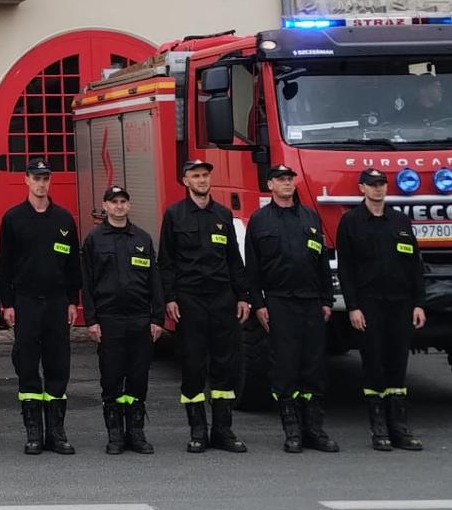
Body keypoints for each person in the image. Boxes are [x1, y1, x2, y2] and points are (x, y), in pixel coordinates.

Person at [245, 165, 340, 454]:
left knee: (313, 366)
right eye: (281, 180)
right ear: (270, 185)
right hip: (279, 300)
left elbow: (321, 263)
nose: (287, 184)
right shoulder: (260, 221)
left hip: (311, 301)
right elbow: (253, 268)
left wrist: (327, 299)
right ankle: (293, 431)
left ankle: (315, 430)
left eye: (290, 180)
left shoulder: (310, 217)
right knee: (285, 366)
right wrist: (259, 304)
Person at [160, 159, 250, 454]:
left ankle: (223, 430)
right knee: (193, 364)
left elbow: (234, 261)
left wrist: (243, 296)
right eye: (196, 176)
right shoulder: (174, 215)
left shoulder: (223, 215)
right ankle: (198, 431)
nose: (202, 180)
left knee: (225, 365)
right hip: (190, 299)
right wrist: (170, 298)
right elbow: (167, 261)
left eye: (205, 175)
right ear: (185, 181)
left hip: (222, 298)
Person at [336, 168, 429, 452]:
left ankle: (399, 427)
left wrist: (419, 303)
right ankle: (378, 428)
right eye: (372, 185)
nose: (378, 189)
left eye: (382, 184)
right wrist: (353, 307)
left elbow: (414, 265)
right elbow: (346, 269)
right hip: (369, 304)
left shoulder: (399, 221)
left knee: (397, 363)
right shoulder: (350, 222)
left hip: (400, 304)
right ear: (362, 188)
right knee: (373, 362)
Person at [0, 159, 82, 456]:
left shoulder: (63, 219)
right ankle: (34, 433)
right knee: (28, 367)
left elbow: (74, 264)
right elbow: (4, 266)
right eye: (36, 178)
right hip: (26, 303)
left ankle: (56, 433)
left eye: (45, 178)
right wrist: (7, 304)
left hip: (57, 303)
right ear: (26, 181)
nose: (41, 183)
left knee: (58, 366)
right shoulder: (13, 219)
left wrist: (73, 300)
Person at [81, 185, 162, 456]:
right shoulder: (94, 240)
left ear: (129, 205)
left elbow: (154, 281)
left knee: (138, 378)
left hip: (140, 319)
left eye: (123, 202)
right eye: (113, 202)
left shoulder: (142, 238)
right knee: (112, 379)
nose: (118, 206)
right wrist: (91, 320)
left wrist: (156, 317)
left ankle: (136, 434)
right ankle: (115, 436)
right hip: (109, 319)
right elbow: (87, 283)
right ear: (104, 206)